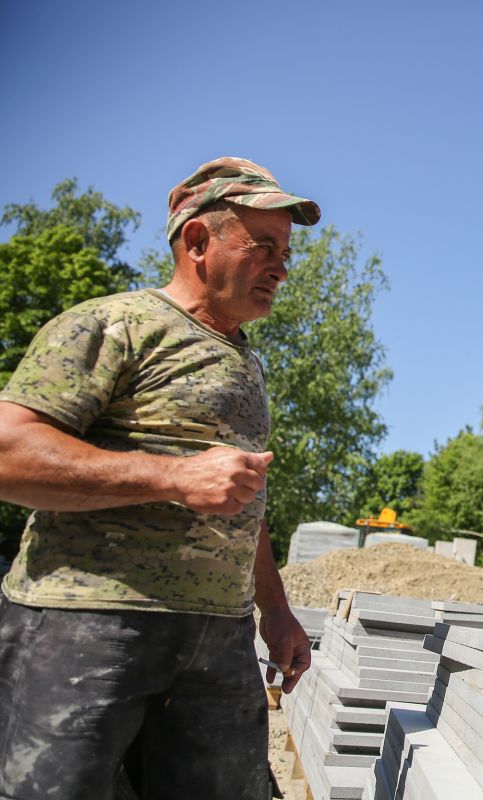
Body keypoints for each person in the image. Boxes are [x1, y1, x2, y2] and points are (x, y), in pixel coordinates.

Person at [0, 156, 318, 799]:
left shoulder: (246, 364)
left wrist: (275, 611)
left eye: (287, 251)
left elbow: (237, 499)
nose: (282, 266)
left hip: (217, 641)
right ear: (198, 241)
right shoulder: (114, 325)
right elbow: (8, 452)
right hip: (87, 625)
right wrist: (173, 477)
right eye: (265, 246)